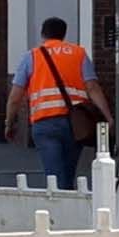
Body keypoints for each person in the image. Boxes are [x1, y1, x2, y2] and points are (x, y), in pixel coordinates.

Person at [21, 13, 96, 185]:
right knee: (68, 173)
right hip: (74, 123)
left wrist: (9, 121)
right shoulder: (79, 54)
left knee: (54, 175)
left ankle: (59, 205)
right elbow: (92, 87)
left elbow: (16, 94)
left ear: (43, 34)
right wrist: (107, 116)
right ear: (64, 34)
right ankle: (67, 201)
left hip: (44, 123)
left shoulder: (32, 56)